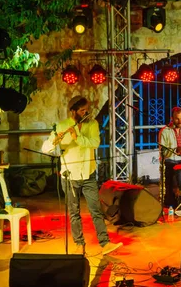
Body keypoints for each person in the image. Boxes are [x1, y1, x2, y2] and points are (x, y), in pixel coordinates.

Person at [42, 95, 123, 256]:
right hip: (69, 176)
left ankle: (105, 243)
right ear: (73, 111)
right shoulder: (61, 125)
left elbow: (94, 143)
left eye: (87, 110)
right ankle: (79, 244)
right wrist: (55, 141)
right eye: (82, 110)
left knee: (95, 210)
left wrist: (76, 136)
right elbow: (46, 149)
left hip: (88, 174)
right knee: (74, 212)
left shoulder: (92, 124)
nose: (86, 113)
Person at [158, 106, 181, 207]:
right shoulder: (165, 131)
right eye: (177, 119)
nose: (180, 121)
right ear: (172, 118)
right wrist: (176, 150)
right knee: (179, 171)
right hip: (170, 161)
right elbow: (163, 152)